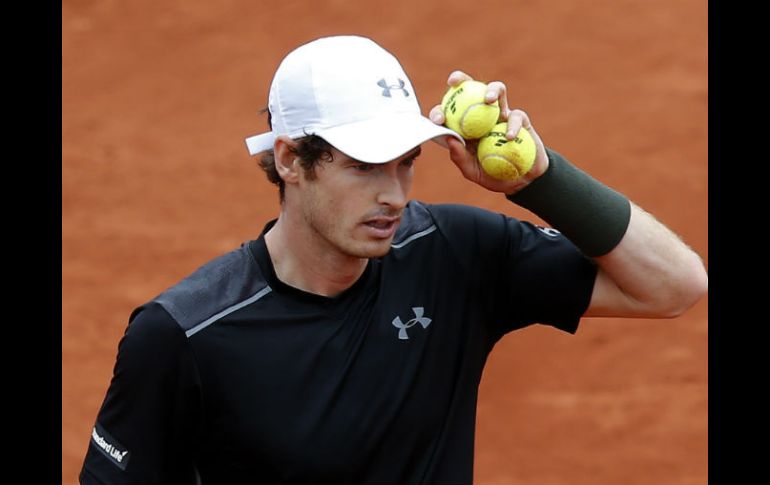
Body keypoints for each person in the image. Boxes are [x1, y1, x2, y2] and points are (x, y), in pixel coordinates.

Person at [79, 35, 708, 485]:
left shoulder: (452, 253)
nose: (394, 194)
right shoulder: (185, 335)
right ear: (291, 160)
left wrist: (541, 181)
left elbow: (674, 286)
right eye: (364, 167)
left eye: (406, 163)